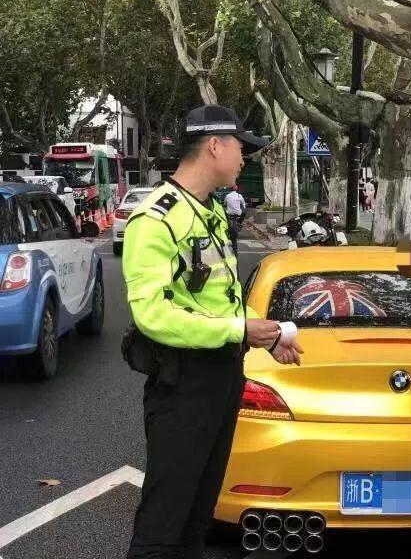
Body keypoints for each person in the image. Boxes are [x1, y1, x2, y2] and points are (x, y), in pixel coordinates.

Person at [122, 104, 303, 559]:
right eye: (241, 148)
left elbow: (223, 295)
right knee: (163, 523)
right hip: (182, 384)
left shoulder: (212, 211)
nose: (245, 158)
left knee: (197, 517)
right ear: (216, 146)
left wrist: (268, 334)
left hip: (222, 377)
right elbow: (152, 315)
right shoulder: (155, 220)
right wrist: (239, 330)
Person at [224, 185, 246, 254]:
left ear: (230, 189)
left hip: (229, 213)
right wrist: (242, 207)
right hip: (238, 213)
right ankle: (239, 222)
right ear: (236, 189)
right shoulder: (239, 195)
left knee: (226, 218)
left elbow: (225, 203)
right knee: (244, 213)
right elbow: (243, 204)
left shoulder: (227, 196)